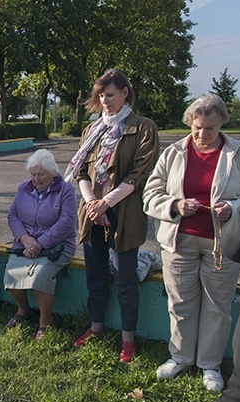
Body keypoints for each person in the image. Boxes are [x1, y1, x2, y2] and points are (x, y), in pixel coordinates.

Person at [143, 93, 240, 391]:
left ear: (222, 124)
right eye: (197, 127)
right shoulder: (173, 153)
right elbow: (149, 196)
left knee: (217, 305)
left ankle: (210, 366)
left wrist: (234, 208)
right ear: (190, 123)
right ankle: (180, 357)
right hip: (179, 241)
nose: (203, 134)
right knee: (180, 303)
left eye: (211, 129)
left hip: (222, 244)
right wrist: (175, 205)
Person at [64, 68, 159, 362]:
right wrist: (93, 202)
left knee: (125, 277)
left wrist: (107, 202)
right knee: (95, 274)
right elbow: (80, 171)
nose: (104, 100)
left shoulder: (143, 128)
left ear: (125, 92)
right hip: (93, 213)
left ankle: (128, 339)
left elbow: (139, 173)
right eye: (101, 95)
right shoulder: (92, 130)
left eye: (110, 94)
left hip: (124, 213)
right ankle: (96, 327)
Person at [3, 149, 77, 339]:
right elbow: (12, 216)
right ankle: (23, 310)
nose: (36, 179)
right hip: (25, 244)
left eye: (41, 174)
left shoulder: (66, 190)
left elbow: (66, 222)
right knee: (10, 276)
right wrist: (25, 239)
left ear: (53, 172)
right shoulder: (23, 188)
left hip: (57, 246)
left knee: (39, 277)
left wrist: (40, 243)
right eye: (33, 174)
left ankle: (46, 322)